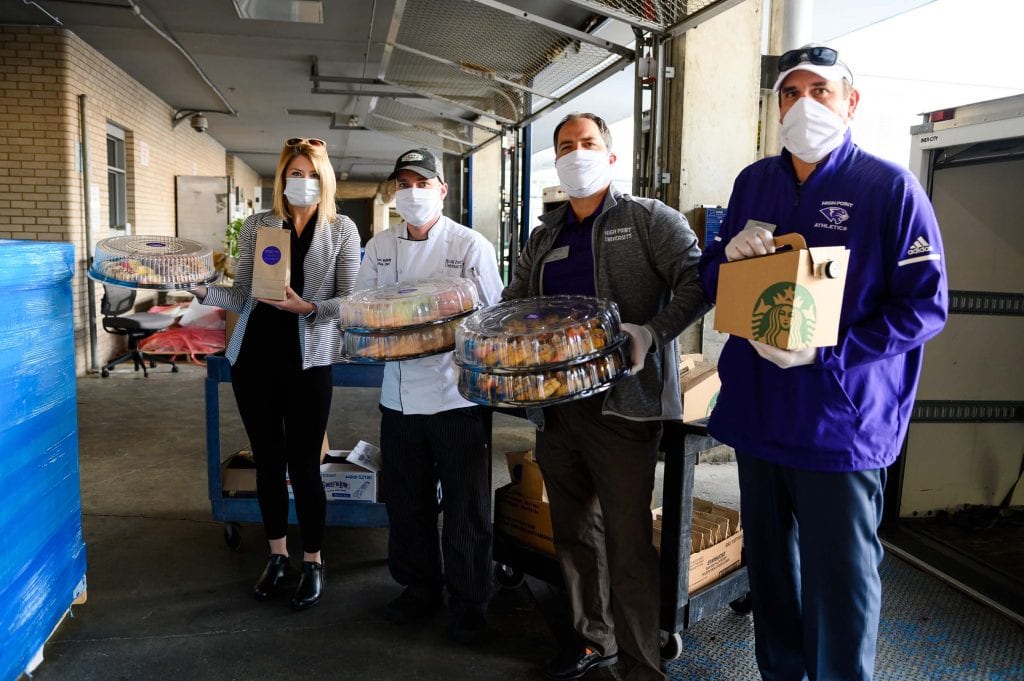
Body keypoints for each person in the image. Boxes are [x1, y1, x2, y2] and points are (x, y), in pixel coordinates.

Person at [698, 45, 948, 680]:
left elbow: (924, 308)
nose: (803, 105)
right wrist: (728, 259)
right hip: (758, 415)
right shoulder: (755, 181)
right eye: (789, 93)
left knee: (841, 580)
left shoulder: (890, 188)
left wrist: (830, 351)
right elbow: (711, 282)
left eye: (820, 91)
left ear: (851, 102)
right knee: (772, 574)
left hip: (840, 421)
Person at [503, 113, 708, 681]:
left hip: (623, 408)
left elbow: (699, 281)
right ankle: (594, 639)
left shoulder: (647, 220)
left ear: (611, 156)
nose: (576, 153)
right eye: (565, 146)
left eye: (587, 143)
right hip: (555, 408)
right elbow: (513, 303)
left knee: (628, 540)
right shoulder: (543, 235)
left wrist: (653, 332)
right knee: (573, 532)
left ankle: (643, 664)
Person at [192, 137, 360, 610]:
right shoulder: (258, 226)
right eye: (294, 172)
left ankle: (313, 560)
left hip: (308, 363)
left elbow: (348, 300)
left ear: (323, 179)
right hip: (254, 360)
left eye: (310, 174)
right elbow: (242, 294)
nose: (301, 181)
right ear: (282, 177)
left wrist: (307, 307)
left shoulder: (341, 230)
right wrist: (203, 292)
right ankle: (278, 555)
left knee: (305, 466)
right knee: (268, 463)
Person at [354, 149, 504, 643]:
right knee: (407, 501)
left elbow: (493, 320)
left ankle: (470, 601)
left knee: (466, 506)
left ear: (442, 190)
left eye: (423, 182)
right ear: (394, 192)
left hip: (456, 397)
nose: (412, 191)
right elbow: (365, 308)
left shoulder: (470, 245)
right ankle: (419, 588)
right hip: (398, 399)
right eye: (404, 182)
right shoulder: (379, 245)